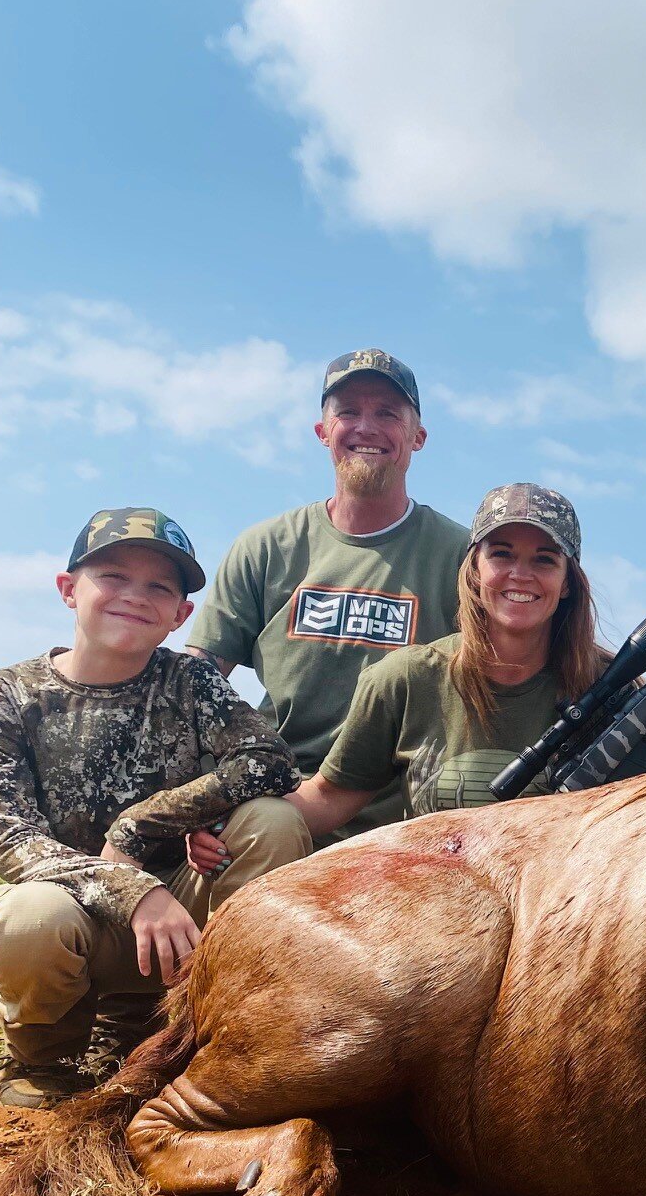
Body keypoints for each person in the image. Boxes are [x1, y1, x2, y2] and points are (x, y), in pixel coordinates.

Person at [0, 509, 312, 1109]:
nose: (134, 597)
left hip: (187, 920)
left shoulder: (193, 682)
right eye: (114, 577)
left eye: (159, 587)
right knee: (24, 918)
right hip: (80, 919)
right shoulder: (3, 696)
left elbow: (270, 763)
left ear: (181, 615)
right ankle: (50, 1057)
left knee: (274, 822)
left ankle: (214, 1031)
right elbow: (11, 840)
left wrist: (143, 823)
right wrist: (131, 886)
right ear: (69, 591)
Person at [245, 484, 646, 838]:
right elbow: (326, 799)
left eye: (545, 559)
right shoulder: (404, 679)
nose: (521, 574)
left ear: (568, 584)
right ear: (474, 571)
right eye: (502, 554)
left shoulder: (611, 684)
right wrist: (235, 823)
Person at [184, 349, 467, 838]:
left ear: (417, 437)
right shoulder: (266, 547)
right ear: (322, 433)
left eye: (387, 414)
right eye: (348, 412)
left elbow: (527, 661)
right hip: (273, 802)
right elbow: (194, 683)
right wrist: (193, 800)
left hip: (408, 817)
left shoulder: (463, 555)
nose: (366, 427)